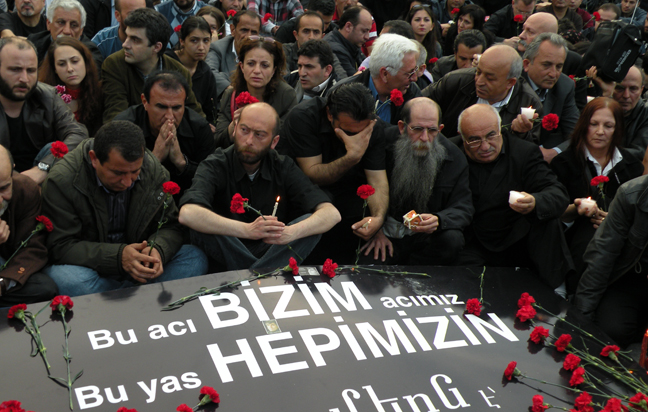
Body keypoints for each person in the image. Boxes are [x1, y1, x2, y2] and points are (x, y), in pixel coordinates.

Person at [42, 120, 209, 297]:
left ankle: (118, 301)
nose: (128, 182)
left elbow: (170, 226)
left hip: (138, 266)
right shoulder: (62, 181)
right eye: (118, 173)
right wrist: (118, 257)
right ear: (94, 159)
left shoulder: (153, 171)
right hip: (92, 269)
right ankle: (141, 301)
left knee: (194, 258)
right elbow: (59, 246)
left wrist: (157, 250)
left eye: (135, 172)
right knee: (68, 280)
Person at [180, 102, 340, 270]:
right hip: (229, 246)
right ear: (234, 129)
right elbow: (187, 213)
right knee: (200, 224)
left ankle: (250, 274)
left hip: (271, 248)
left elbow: (331, 214)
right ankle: (263, 273)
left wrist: (290, 233)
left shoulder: (282, 165)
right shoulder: (216, 163)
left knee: (310, 223)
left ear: (274, 141)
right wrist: (247, 230)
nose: (249, 141)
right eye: (244, 130)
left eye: (259, 135)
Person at [455, 103, 572, 289]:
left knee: (547, 220)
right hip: (473, 242)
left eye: (491, 135)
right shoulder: (452, 152)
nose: (485, 146)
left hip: (517, 240)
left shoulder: (524, 152)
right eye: (474, 140)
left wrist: (534, 202)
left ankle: (557, 291)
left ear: (501, 129)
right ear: (462, 138)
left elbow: (557, 194)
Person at [279, 83, 388, 263]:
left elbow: (377, 181)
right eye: (346, 131)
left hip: (346, 192)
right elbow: (312, 174)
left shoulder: (373, 126)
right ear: (330, 114)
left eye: (360, 132)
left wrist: (378, 219)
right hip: (301, 192)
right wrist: (352, 156)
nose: (354, 138)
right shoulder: (304, 117)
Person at [360, 98, 473, 265]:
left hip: (424, 240)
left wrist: (439, 220)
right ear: (402, 127)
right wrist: (374, 228)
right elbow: (360, 189)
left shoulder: (454, 157)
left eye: (432, 130)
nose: (425, 137)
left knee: (452, 239)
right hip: (383, 235)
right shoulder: (381, 143)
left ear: (440, 129)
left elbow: (463, 207)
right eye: (417, 129)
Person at [551, 97, 643, 292]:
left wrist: (615, 220)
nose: (600, 132)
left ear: (617, 129)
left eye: (608, 126)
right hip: (572, 249)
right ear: (584, 125)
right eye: (594, 124)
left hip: (617, 253)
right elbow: (555, 214)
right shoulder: (564, 163)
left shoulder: (631, 165)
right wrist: (577, 208)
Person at [0, 37, 87, 185]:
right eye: (15, 69)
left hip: (43, 181)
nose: (24, 78)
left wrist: (44, 167)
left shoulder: (47, 96)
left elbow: (78, 133)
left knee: (54, 149)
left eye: (31, 70)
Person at [574, 173, 648, 347]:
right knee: (611, 333)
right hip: (629, 279)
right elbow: (602, 253)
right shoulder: (631, 194)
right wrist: (581, 318)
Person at [114, 71, 216, 194]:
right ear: (145, 102)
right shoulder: (123, 127)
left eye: (177, 108)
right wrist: (154, 158)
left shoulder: (199, 128)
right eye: (161, 107)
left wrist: (182, 163)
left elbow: (210, 182)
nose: (170, 116)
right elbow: (117, 183)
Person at [101, 8, 204, 123]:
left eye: (135, 40)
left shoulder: (179, 71)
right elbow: (115, 115)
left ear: (156, 47)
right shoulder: (114, 64)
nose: (125, 44)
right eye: (127, 36)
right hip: (131, 137)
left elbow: (195, 115)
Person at [422, 44, 543, 141]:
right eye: (478, 72)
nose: (479, 82)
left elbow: (529, 151)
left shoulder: (529, 103)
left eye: (490, 78)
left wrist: (520, 134)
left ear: (510, 82)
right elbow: (418, 103)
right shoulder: (456, 81)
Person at [0, 145, 58, 307]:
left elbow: (33, 248)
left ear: (12, 172)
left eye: (4, 188)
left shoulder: (25, 190)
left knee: (44, 287)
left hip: (6, 272)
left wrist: (3, 282)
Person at [215, 36, 298, 148]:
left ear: (274, 70)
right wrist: (234, 125)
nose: (257, 71)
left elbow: (284, 143)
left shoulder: (286, 95)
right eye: (251, 64)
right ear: (242, 66)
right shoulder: (230, 94)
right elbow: (218, 142)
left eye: (265, 65)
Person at [333, 33, 421, 125]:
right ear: (385, 74)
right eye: (409, 73)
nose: (414, 78)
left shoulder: (411, 91)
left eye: (415, 70)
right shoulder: (343, 96)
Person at [521, 33, 579, 162]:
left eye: (559, 66)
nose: (553, 74)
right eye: (546, 65)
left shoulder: (564, 86)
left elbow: (576, 133)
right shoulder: (512, 80)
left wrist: (554, 152)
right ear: (526, 64)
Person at [38, 37, 104, 137]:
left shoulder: (100, 92)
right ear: (54, 69)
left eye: (75, 61)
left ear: (85, 62)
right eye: (62, 64)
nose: (70, 69)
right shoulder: (44, 96)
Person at [166, 16, 218, 124]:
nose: (201, 47)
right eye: (194, 40)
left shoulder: (206, 73)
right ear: (182, 41)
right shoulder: (167, 61)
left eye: (206, 41)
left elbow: (210, 112)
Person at [26, 0, 104, 70]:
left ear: (82, 30)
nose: (67, 31)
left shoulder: (91, 54)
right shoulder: (34, 43)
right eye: (61, 23)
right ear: (48, 24)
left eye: (74, 25)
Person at [205, 9, 261, 97]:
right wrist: (232, 91)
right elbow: (209, 72)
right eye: (244, 30)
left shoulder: (265, 51)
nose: (248, 36)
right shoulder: (218, 48)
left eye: (254, 32)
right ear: (233, 30)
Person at [612, 66, 648, 161]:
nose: (626, 95)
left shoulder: (645, 115)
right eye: (620, 88)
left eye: (633, 89)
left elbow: (640, 152)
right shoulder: (600, 111)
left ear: (641, 90)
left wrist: (604, 153)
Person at [323, 6, 371, 77]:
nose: (367, 37)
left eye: (368, 31)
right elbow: (353, 82)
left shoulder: (353, 42)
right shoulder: (334, 49)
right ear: (348, 27)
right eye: (364, 31)